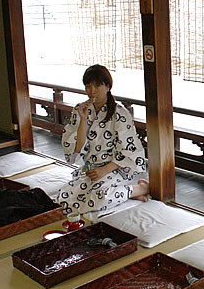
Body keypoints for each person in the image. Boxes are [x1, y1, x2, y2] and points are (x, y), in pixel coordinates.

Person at [56, 64, 148, 215]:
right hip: (90, 168)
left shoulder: (120, 113)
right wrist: (83, 120)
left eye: (98, 85)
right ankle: (124, 193)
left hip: (116, 168)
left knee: (100, 198)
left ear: (108, 86)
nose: (92, 91)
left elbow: (129, 150)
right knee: (64, 200)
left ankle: (138, 189)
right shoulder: (80, 110)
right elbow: (77, 150)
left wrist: (104, 170)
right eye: (88, 86)